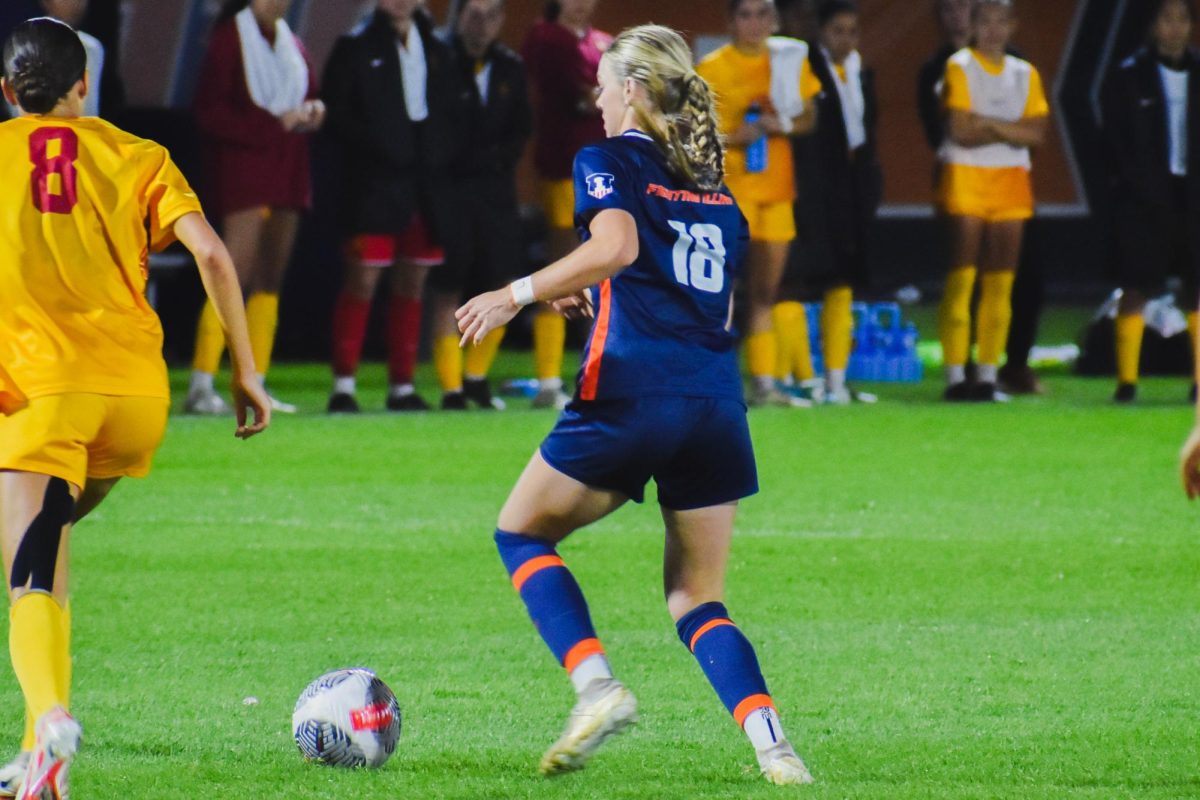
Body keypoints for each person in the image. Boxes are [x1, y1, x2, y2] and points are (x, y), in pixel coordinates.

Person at [456, 23, 813, 786]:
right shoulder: (714, 189)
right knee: (696, 596)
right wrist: (593, 298)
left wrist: (515, 293)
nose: (595, 95)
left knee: (520, 533)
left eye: (604, 82)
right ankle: (775, 748)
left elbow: (616, 245)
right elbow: (688, 299)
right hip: (715, 403)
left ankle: (597, 688)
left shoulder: (608, 159)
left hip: (633, 392)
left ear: (633, 90)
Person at [0, 17, 270, 799]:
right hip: (135, 400)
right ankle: (38, 765)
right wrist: (246, 371)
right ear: (84, 83)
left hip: (44, 398)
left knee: (29, 575)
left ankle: (50, 721)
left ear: (8, 93)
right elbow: (214, 254)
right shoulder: (137, 153)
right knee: (45, 556)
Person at [185, 0, 324, 416]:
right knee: (232, 275)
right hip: (244, 171)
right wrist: (269, 125)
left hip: (288, 170)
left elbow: (309, 91)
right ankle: (202, 382)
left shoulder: (291, 42)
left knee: (269, 279)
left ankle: (256, 382)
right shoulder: (229, 40)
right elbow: (208, 114)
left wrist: (313, 111)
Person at [323, 0, 461, 413]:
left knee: (412, 283)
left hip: (425, 189)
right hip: (373, 187)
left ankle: (402, 385)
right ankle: (344, 385)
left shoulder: (439, 51)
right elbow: (337, 114)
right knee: (362, 282)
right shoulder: (355, 47)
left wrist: (434, 157)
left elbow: (452, 114)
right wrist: (383, 148)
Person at [698, 0, 821, 407]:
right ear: (730, 20)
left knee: (766, 291)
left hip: (777, 191)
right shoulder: (713, 67)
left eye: (764, 14)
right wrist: (736, 136)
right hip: (730, 194)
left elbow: (809, 117)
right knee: (721, 291)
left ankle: (764, 383)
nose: (756, 23)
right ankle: (711, 379)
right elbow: (694, 134)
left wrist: (779, 124)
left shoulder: (788, 61)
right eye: (746, 15)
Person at [936, 0, 1047, 402]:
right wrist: (1010, 129)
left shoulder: (1024, 73)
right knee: (963, 276)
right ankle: (954, 375)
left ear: (1012, 25)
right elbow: (961, 131)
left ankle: (986, 375)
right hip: (966, 175)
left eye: (1002, 21)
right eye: (986, 21)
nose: (994, 30)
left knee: (1001, 281)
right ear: (974, 23)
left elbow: (1036, 133)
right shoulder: (960, 65)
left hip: (1011, 179)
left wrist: (987, 122)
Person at [429, 0, 532, 410]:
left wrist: (496, 161)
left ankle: (476, 377)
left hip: (496, 193)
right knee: (447, 285)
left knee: (506, 283)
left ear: (502, 21)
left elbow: (521, 127)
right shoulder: (439, 62)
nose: (482, 24)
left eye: (491, 16)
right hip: (449, 190)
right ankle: (451, 387)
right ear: (459, 17)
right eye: (474, 14)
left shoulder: (510, 66)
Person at [1103, 0, 1200, 404]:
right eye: (1166, 18)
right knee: (1136, 285)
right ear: (1153, 25)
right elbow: (1113, 143)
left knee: (1196, 289)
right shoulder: (1129, 76)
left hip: (1192, 197)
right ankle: (1126, 381)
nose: (1175, 28)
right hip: (1144, 200)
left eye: (1182, 19)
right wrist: (1136, 186)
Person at [522, 0, 612, 410]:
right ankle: (547, 379)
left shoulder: (603, 42)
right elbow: (574, 96)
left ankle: (596, 374)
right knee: (563, 269)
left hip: (608, 171)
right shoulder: (546, 37)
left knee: (606, 271)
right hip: (565, 168)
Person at [793, 0, 882, 404]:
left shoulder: (861, 72)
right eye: (837, 31)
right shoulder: (804, 67)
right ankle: (797, 378)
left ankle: (836, 381)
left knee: (844, 281)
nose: (845, 39)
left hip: (851, 190)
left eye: (851, 31)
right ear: (821, 31)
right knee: (796, 282)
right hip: (813, 190)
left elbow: (864, 134)